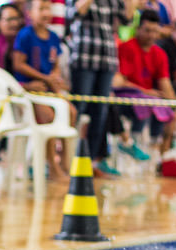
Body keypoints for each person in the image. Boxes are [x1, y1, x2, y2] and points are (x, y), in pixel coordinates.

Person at [12, 0, 74, 181]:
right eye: (41, 9)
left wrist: (54, 77)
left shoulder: (54, 37)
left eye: (48, 9)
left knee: (71, 113)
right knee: (49, 118)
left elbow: (55, 65)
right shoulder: (25, 35)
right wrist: (44, 78)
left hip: (49, 89)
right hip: (29, 90)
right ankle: (52, 166)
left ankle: (65, 163)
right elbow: (18, 64)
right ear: (30, 12)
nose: (46, 13)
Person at [66, 0, 126, 177]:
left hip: (107, 57)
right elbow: (74, 14)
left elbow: (126, 18)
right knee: (78, 109)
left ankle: (90, 161)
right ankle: (68, 159)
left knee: (100, 113)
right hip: (84, 55)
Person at [112, 10, 175, 160]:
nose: (151, 35)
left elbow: (165, 84)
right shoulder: (126, 48)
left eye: (155, 31)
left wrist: (174, 105)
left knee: (162, 105)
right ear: (138, 29)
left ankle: (155, 148)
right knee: (145, 102)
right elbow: (118, 82)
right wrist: (146, 92)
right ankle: (133, 143)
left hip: (149, 96)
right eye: (147, 31)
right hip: (126, 98)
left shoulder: (159, 54)